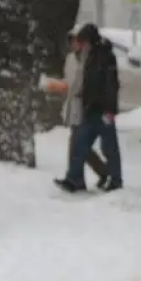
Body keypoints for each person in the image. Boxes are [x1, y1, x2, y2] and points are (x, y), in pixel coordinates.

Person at [55, 23, 122, 193]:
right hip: (90, 108)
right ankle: (74, 178)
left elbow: (111, 85)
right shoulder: (89, 56)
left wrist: (110, 109)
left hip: (103, 110)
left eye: (84, 41)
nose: (82, 45)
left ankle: (115, 180)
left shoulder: (105, 57)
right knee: (79, 143)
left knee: (109, 147)